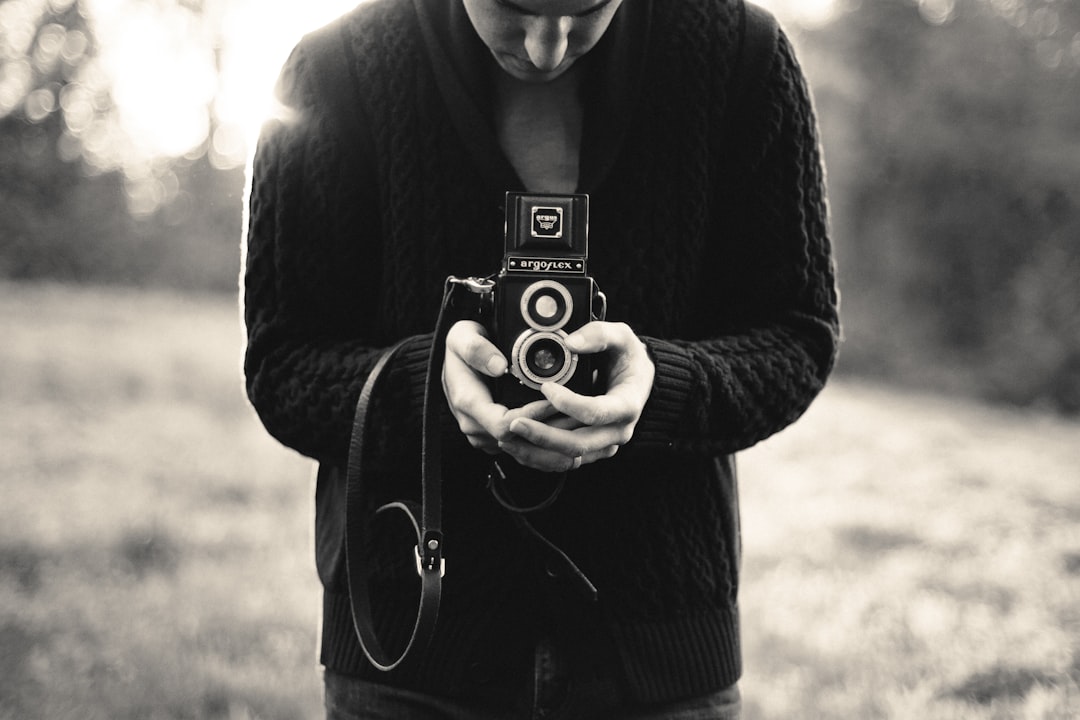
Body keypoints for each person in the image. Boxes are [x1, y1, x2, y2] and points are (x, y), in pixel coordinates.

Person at [242, 0, 839, 717]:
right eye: (515, 8)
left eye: (588, 9)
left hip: (658, 651)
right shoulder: (335, 70)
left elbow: (797, 331)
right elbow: (283, 360)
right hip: (410, 651)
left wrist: (659, 388)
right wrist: (427, 386)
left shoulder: (741, 54)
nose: (548, 46)